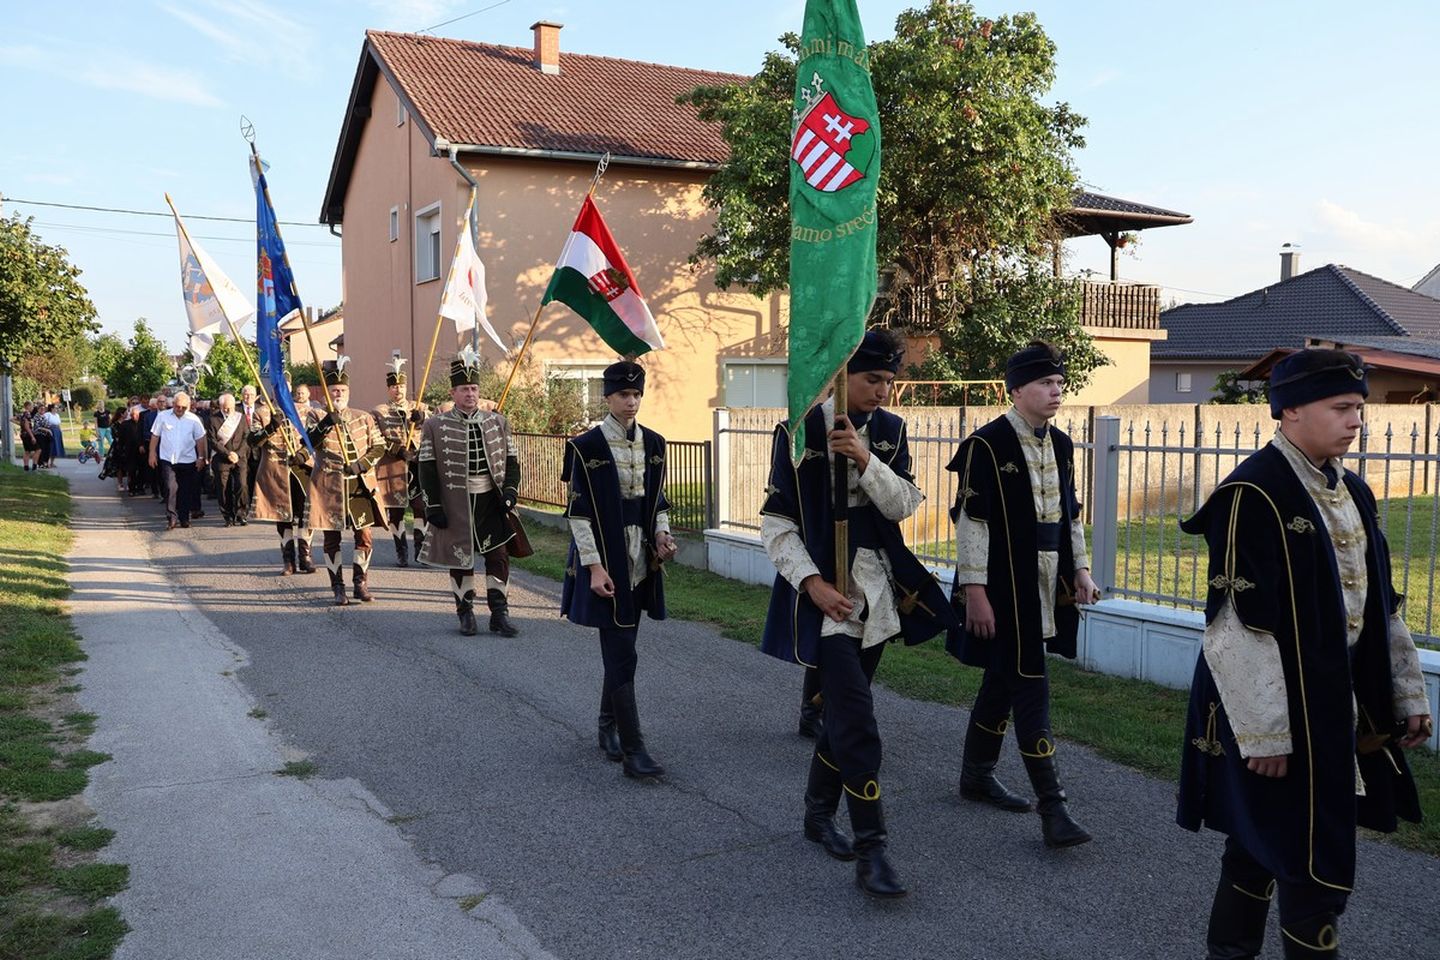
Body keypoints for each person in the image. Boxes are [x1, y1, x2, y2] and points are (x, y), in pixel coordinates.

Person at [1177, 349, 1429, 960]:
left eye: (1359, 408)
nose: (1356, 421)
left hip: (1335, 698)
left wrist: (1405, 690)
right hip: (1269, 708)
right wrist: (1265, 736)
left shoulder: (1356, 492)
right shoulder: (1251, 494)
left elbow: (1382, 604)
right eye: (1341, 408)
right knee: (1305, 853)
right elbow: (1235, 623)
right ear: (1289, 411)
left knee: (1259, 840)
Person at [759, 329, 956, 899]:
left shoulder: (890, 433)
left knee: (844, 716)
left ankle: (817, 813)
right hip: (827, 603)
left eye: (890, 381)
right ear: (844, 376)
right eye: (873, 380)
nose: (882, 392)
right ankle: (873, 850)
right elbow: (777, 524)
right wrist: (813, 584)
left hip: (877, 599)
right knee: (857, 721)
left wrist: (867, 460)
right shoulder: (798, 431)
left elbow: (904, 506)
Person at [946, 341, 1101, 848]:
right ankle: (1053, 808)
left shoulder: (1061, 445)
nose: (1056, 391)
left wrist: (1079, 568)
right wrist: (974, 591)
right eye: (1044, 384)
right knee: (1029, 683)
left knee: (1004, 678)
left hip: (1046, 581)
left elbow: (1070, 513)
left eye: (1059, 384)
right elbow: (973, 521)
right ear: (1015, 390)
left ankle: (975, 775)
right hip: (1001, 585)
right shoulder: (985, 444)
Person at [559, 361, 678, 779]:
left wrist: (662, 537)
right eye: (623, 395)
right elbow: (577, 515)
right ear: (607, 397)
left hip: (641, 560)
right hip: (606, 558)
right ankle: (634, 749)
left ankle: (607, 724)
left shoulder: (657, 444)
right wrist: (592, 567)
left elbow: (659, 502)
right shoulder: (586, 447)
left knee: (624, 648)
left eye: (636, 395)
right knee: (622, 651)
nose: (631, 402)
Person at [417, 347, 523, 636]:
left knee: (498, 556)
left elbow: (512, 462)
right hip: (456, 503)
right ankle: (465, 614)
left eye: (474, 389)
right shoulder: (434, 425)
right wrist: (433, 506)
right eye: (464, 389)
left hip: (491, 500)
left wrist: (510, 492)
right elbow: (425, 468)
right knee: (460, 559)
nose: (471, 394)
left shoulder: (497, 422)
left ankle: (499, 614)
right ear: (453, 393)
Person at [307, 360, 386, 605]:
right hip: (330, 486)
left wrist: (361, 465)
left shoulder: (364, 417)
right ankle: (337, 586)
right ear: (327, 394)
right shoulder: (316, 415)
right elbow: (309, 441)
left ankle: (360, 583)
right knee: (332, 540)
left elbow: (379, 446)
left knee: (365, 537)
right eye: (334, 390)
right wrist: (326, 423)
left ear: (348, 393)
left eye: (342, 390)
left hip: (359, 486)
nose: (338, 393)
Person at [250, 394, 317, 576]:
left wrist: (302, 454)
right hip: (276, 470)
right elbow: (253, 440)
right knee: (283, 516)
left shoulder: (306, 410)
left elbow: (314, 437)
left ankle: (306, 556)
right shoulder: (262, 413)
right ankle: (288, 560)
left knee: (306, 513)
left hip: (301, 469)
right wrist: (271, 427)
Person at [371, 357, 428, 567]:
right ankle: (401, 549)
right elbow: (375, 437)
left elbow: (432, 427)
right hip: (392, 465)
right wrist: (397, 449)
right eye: (394, 387)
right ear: (389, 389)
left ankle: (421, 549)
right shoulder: (379, 411)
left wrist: (421, 419)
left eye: (401, 386)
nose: (398, 390)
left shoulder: (419, 406)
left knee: (421, 507)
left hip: (417, 464)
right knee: (396, 511)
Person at [148, 391, 208, 530]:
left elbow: (200, 439)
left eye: (183, 407)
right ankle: (171, 518)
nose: (180, 409)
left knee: (185, 490)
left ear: (188, 406)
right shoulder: (163, 417)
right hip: (168, 459)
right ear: (172, 404)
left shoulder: (194, 419)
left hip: (187, 460)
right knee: (170, 488)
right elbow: (155, 436)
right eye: (177, 406)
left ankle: (184, 518)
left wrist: (201, 457)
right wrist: (152, 453)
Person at [208, 392, 250, 526]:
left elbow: (246, 437)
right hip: (222, 458)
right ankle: (228, 516)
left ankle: (241, 514)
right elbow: (212, 441)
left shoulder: (241, 417)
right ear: (220, 406)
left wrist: (237, 453)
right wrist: (227, 454)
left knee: (242, 485)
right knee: (223, 488)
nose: (227, 410)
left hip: (239, 457)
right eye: (225, 408)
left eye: (230, 408)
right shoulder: (213, 419)